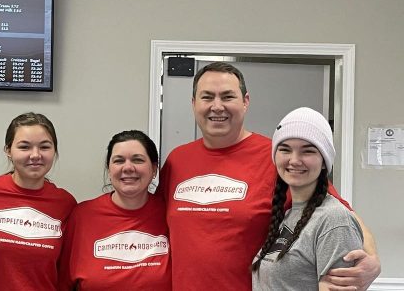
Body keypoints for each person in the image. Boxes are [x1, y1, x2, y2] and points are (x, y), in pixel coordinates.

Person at [159, 62, 380, 290]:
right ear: (194, 103)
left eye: (227, 97)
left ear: (245, 101)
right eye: (207, 97)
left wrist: (373, 260)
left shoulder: (279, 159)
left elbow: (340, 213)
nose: (217, 106)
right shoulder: (178, 160)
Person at [252, 107, 363, 290]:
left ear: (324, 161)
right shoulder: (289, 215)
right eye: (285, 149)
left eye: (307, 151)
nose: (294, 160)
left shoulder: (334, 220)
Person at [0, 112, 77, 291]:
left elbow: (66, 274)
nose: (35, 155)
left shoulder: (66, 204)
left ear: (54, 151)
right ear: (8, 151)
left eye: (44, 147)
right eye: (24, 147)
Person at [58, 130, 171, 290]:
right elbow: (63, 283)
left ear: (154, 169)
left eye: (137, 160)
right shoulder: (82, 216)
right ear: (109, 170)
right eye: (119, 161)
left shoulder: (170, 215)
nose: (128, 167)